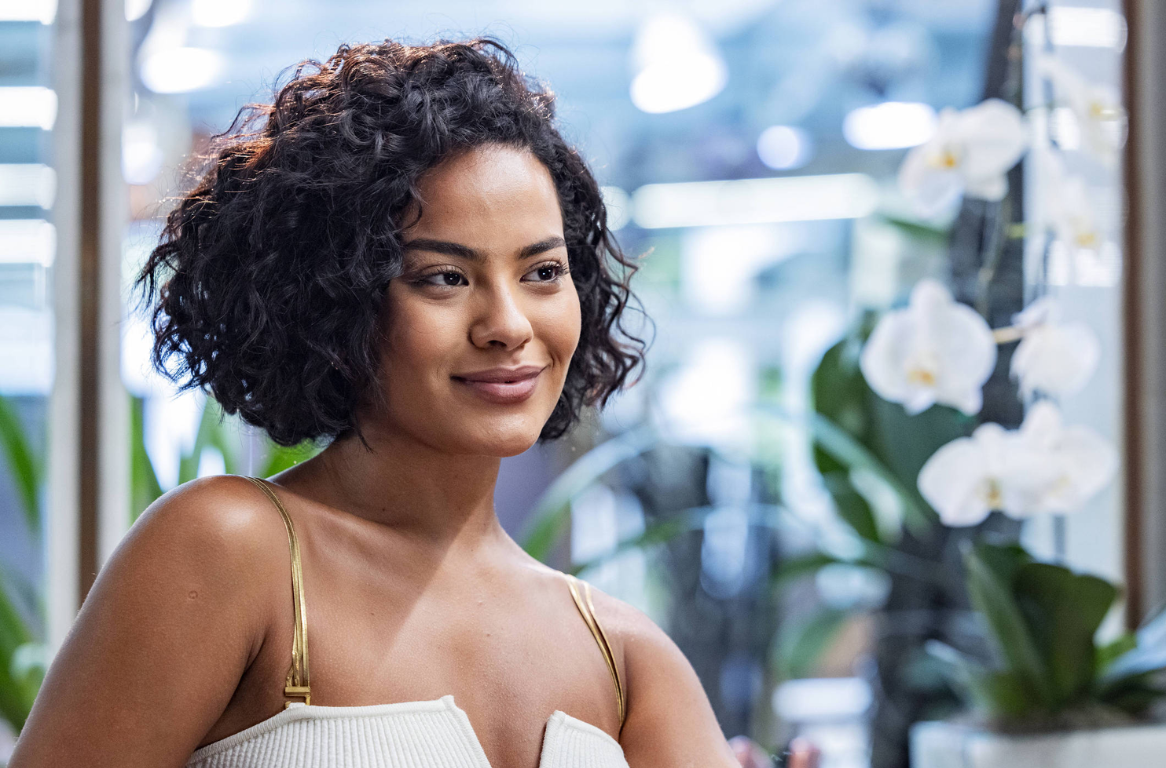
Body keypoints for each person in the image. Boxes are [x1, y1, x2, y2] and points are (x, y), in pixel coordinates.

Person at [11, 37, 798, 768]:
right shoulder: (230, 553)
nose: (508, 325)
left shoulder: (627, 657)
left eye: (542, 272)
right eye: (444, 278)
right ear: (335, 299)